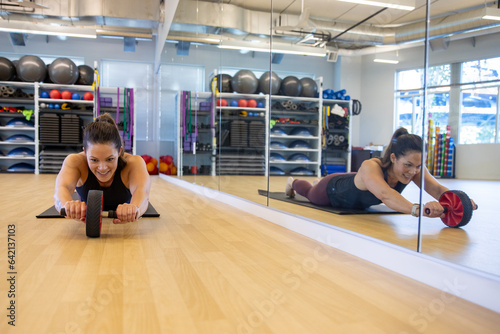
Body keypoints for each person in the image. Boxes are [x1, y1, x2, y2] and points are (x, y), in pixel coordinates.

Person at [285, 128, 477, 218]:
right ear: (393, 157)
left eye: (418, 166)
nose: (413, 172)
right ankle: (293, 182)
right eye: (408, 165)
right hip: (334, 191)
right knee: (310, 193)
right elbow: (386, 195)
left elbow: (436, 188)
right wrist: (418, 209)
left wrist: (460, 202)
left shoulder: (414, 169)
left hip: (358, 188)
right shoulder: (371, 166)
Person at [54, 113, 151, 224]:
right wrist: (67, 206)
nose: (103, 168)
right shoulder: (75, 162)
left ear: (119, 151)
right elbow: (61, 189)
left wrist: (135, 208)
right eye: (94, 160)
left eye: (110, 159)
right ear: (85, 152)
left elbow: (142, 192)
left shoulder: (134, 163)